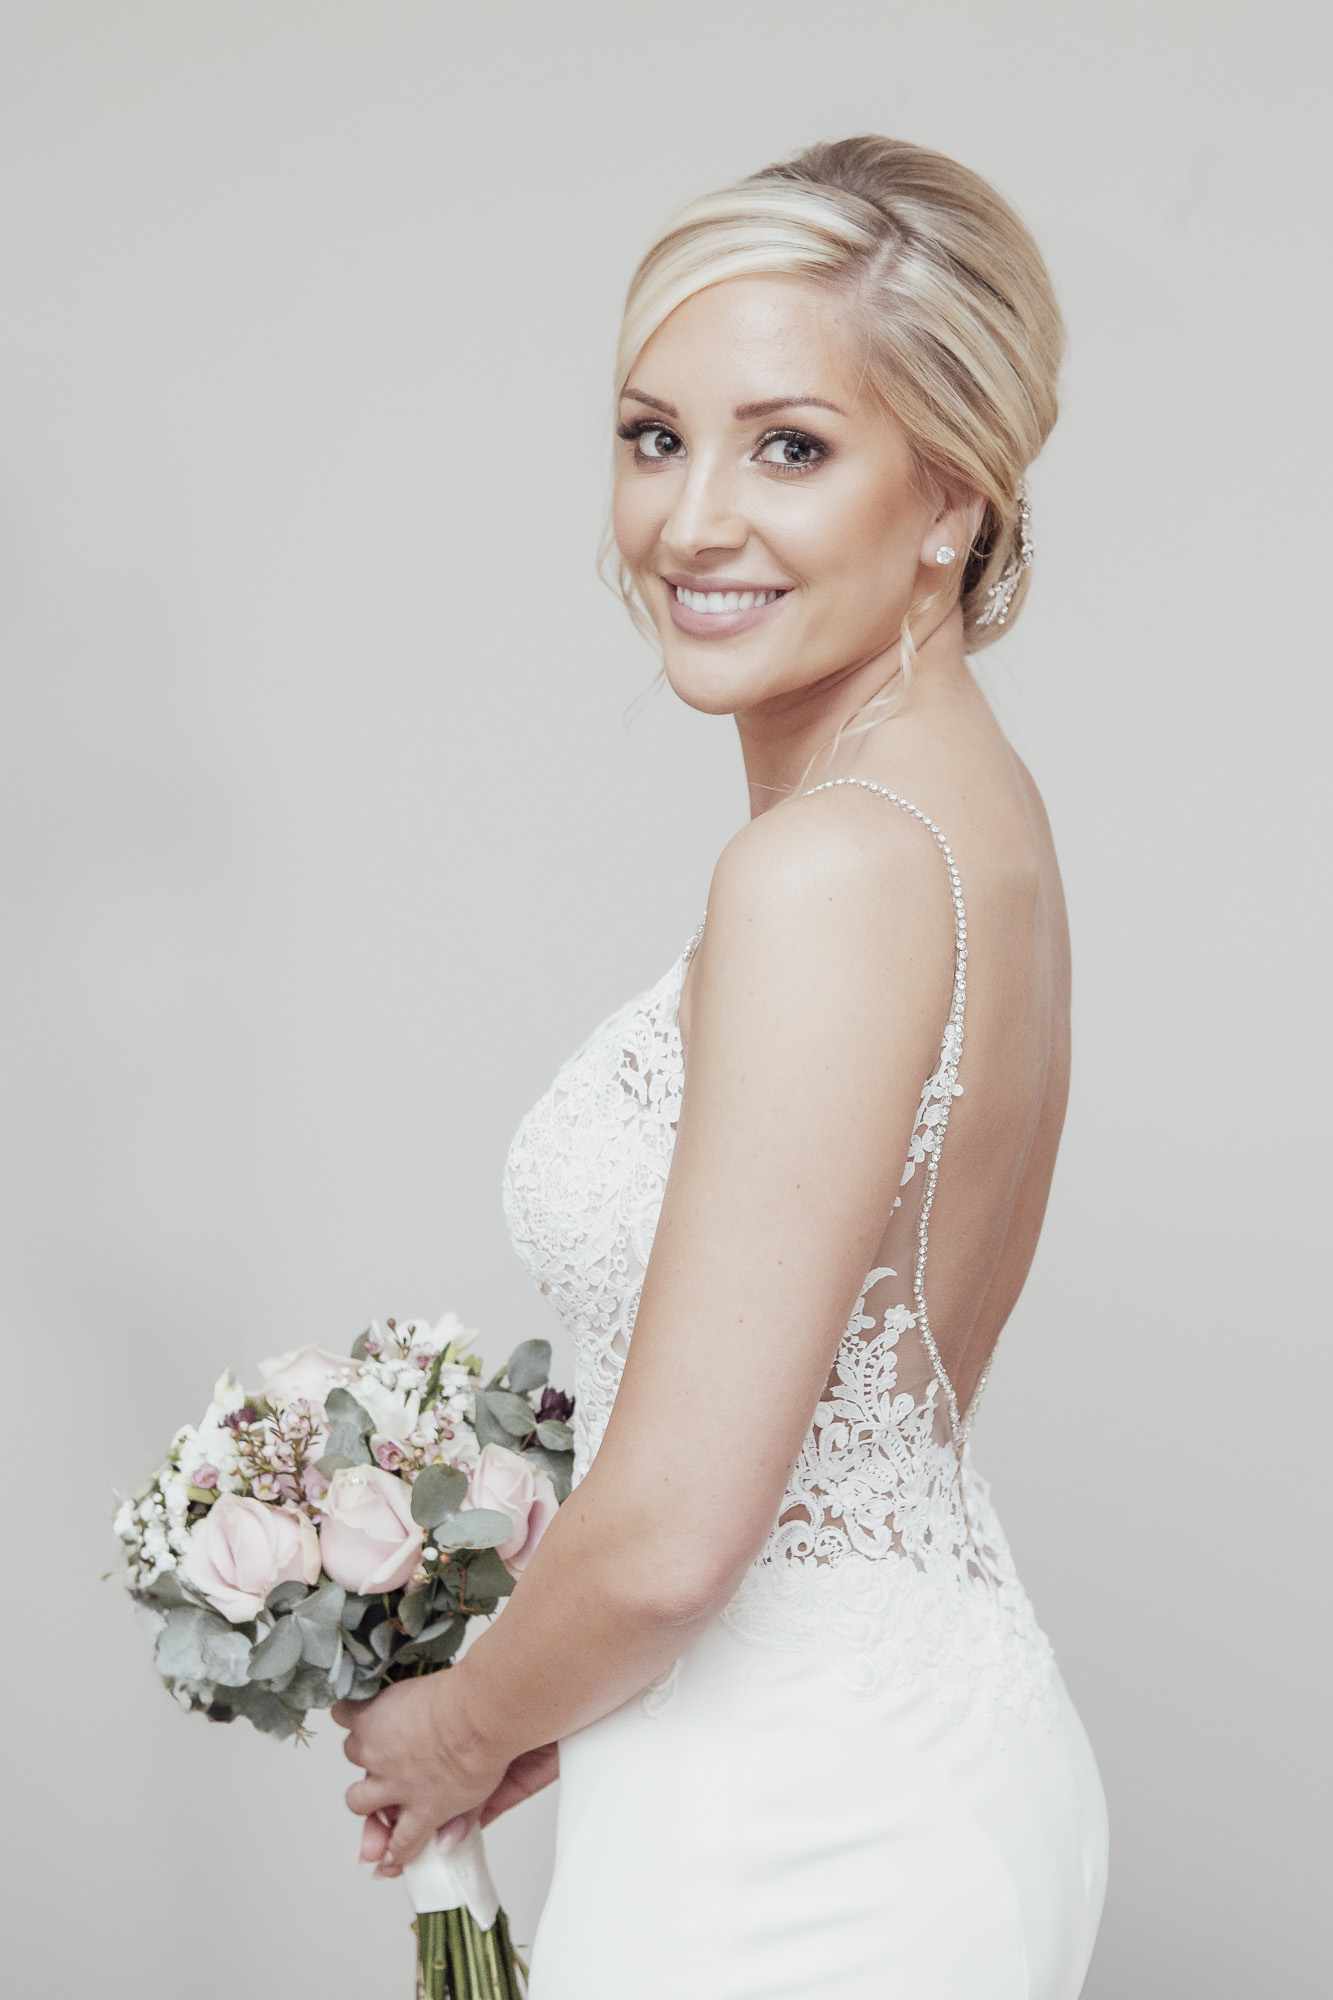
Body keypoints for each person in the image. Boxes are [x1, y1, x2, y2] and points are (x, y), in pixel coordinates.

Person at [334, 135, 1109, 1999]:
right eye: (651, 436)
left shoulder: (827, 869)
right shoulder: (972, 821)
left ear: (950, 493)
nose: (690, 521)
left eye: (788, 447)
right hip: (883, 1754)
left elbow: (680, 1539)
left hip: (793, 1828)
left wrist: (453, 1729)